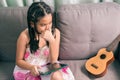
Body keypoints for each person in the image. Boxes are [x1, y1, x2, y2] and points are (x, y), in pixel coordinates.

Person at [13, 1, 75, 80]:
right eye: (43, 25)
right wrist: (31, 67)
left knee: (57, 77)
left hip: (48, 67)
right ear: (32, 24)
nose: (48, 28)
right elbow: (19, 61)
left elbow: (53, 60)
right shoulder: (24, 36)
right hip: (30, 69)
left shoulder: (55, 33)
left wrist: (52, 41)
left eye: (50, 23)